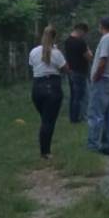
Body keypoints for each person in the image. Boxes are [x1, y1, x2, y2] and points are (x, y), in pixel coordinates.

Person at [29, 25, 68, 160]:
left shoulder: (34, 51)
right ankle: (45, 152)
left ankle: (44, 149)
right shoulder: (56, 53)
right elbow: (65, 69)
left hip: (37, 87)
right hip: (52, 87)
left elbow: (32, 65)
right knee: (48, 121)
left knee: (45, 119)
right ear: (54, 37)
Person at [87, 17, 109, 156]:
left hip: (104, 78)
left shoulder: (107, 39)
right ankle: (108, 145)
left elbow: (103, 60)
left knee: (95, 114)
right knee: (108, 114)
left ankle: (93, 145)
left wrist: (96, 76)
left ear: (101, 26)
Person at [62, 22, 92, 123]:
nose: (85, 35)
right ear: (81, 30)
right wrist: (87, 48)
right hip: (80, 72)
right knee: (83, 96)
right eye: (84, 33)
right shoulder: (81, 42)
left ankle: (73, 117)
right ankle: (82, 117)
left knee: (73, 96)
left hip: (71, 71)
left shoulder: (67, 41)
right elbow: (89, 57)